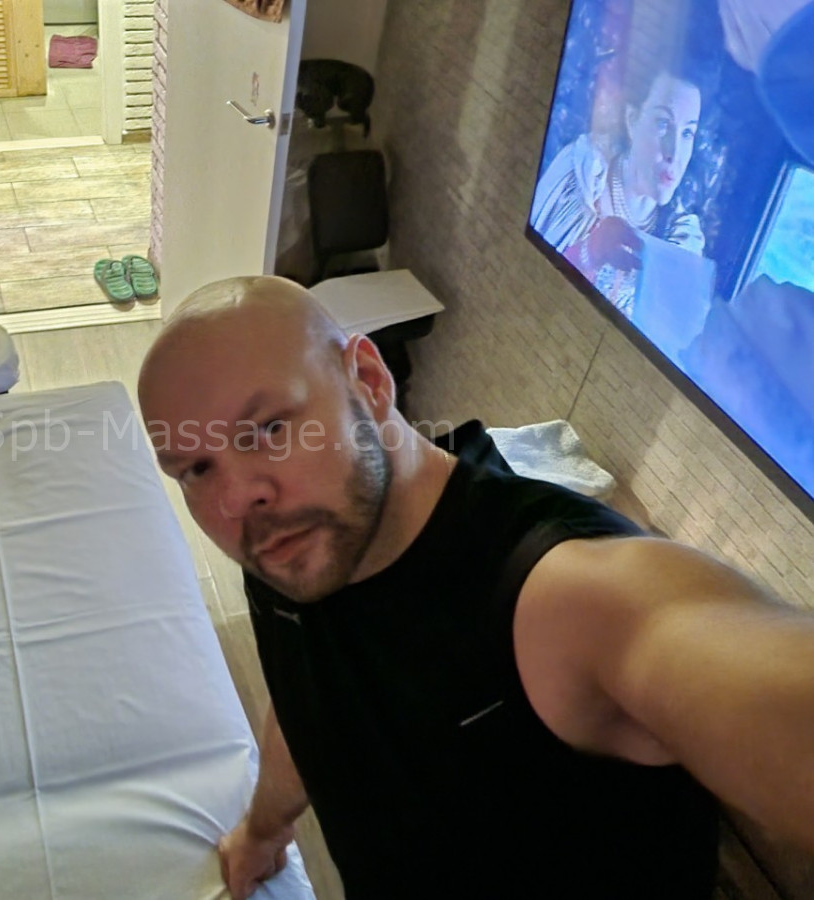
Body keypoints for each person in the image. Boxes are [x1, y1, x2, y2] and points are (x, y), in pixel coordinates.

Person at [136, 275, 814, 898]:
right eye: (196, 468)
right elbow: (310, 700)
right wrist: (264, 829)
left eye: (269, 429)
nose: (236, 499)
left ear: (368, 380)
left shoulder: (562, 593)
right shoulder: (295, 540)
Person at [531, 59, 711, 317]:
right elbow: (528, 276)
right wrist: (588, 252)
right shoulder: (580, 176)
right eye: (663, 124)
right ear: (632, 120)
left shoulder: (683, 241)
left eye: (687, 134)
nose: (674, 152)